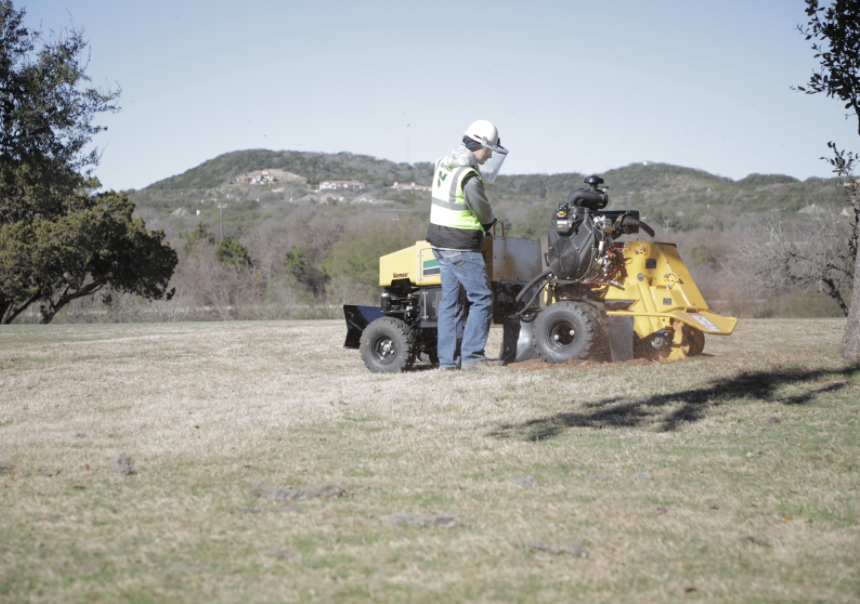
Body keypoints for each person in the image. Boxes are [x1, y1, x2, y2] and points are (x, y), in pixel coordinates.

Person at [426, 120, 509, 371]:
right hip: (460, 246)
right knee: (482, 298)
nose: (490, 155)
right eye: (490, 150)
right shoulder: (469, 177)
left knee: (450, 303)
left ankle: (448, 362)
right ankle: (473, 358)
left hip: (439, 242)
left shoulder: (443, 163)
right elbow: (482, 211)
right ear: (480, 145)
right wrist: (491, 222)